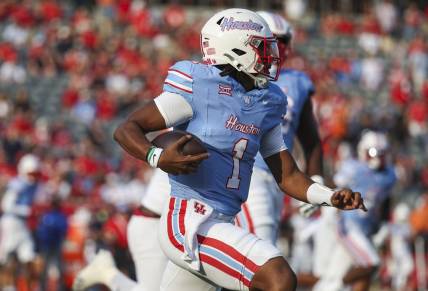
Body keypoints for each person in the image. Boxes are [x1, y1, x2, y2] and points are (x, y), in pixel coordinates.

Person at [76, 8, 365, 291]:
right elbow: (127, 129)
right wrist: (157, 156)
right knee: (278, 276)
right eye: (260, 48)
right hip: (190, 222)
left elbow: (287, 174)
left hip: (223, 220)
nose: (270, 57)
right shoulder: (199, 85)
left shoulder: (267, 101)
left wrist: (330, 196)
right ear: (235, 49)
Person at [235, 11, 323, 244]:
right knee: (262, 253)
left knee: (258, 250)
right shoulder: (232, 74)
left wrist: (315, 179)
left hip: (279, 178)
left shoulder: (297, 82)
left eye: (280, 40)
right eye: (268, 38)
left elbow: (310, 139)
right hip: (244, 171)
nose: (274, 46)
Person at [309, 131, 396, 291]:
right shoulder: (354, 168)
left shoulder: (390, 174)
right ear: (364, 151)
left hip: (365, 230)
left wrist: (384, 225)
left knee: (339, 274)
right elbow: (333, 185)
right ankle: (335, 285)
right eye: (374, 152)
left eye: (382, 152)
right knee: (371, 263)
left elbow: (385, 201)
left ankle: (330, 286)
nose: (378, 157)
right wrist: (315, 192)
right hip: (347, 226)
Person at [0, 154, 43, 289]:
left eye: (35, 174)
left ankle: (29, 287)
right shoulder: (17, 185)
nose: (33, 177)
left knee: (29, 258)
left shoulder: (34, 186)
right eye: (31, 173)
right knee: (6, 258)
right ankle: (6, 287)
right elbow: (6, 205)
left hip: (23, 225)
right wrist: (27, 210)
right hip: (11, 223)